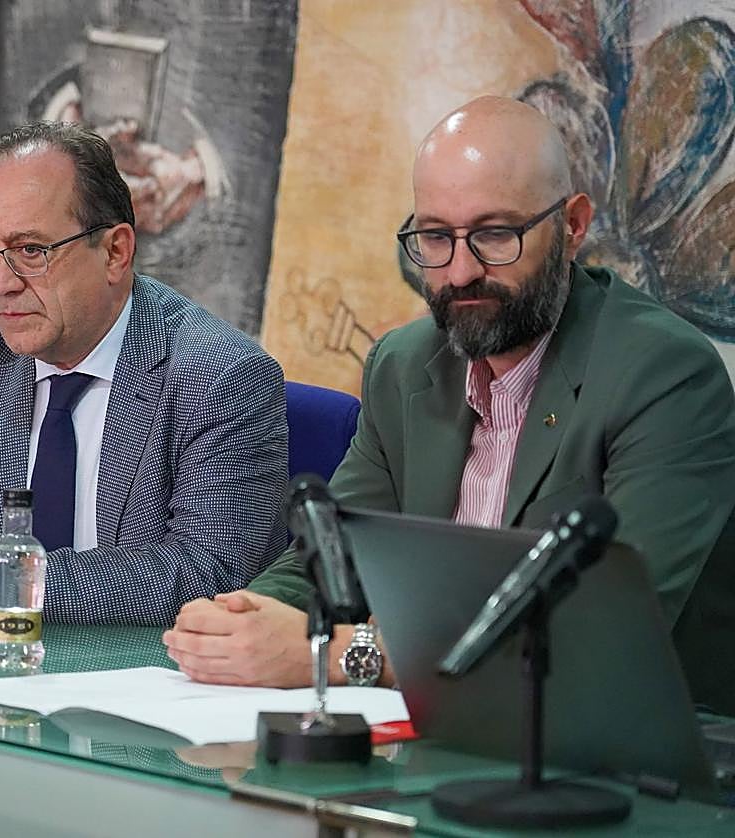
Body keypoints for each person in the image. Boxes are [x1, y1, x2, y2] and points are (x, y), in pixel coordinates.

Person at [164, 96, 735, 714]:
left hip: (620, 756)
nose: (460, 272)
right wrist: (243, 616)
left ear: (572, 225)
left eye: (495, 235)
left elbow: (602, 634)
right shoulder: (405, 366)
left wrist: (336, 655)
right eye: (435, 236)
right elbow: (335, 555)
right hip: (435, 735)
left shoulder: (665, 373)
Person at [0, 121, 288, 624]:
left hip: (146, 682)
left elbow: (209, 574)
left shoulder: (219, 375)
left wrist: (8, 583)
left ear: (115, 252)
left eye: (31, 252)